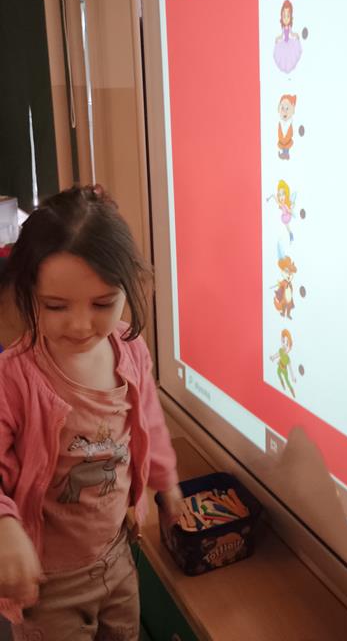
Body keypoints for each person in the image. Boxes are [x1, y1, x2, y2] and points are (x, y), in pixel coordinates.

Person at [0, 184, 183, 641]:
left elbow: (149, 421)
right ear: (28, 294)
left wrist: (167, 481)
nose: (81, 324)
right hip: (48, 584)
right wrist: (5, 527)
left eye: (103, 303)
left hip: (118, 557)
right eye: (55, 306)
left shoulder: (130, 350)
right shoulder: (15, 378)